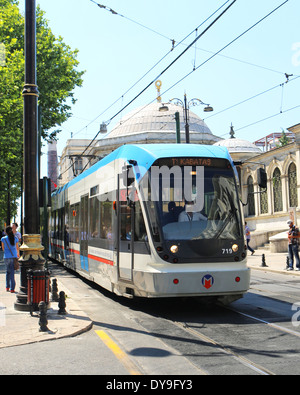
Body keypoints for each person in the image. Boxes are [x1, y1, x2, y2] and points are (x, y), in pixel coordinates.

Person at [1, 226, 20, 293]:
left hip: (6, 257)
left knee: (7, 272)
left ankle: (7, 287)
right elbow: (17, 248)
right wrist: (18, 255)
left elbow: (3, 248)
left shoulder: (3, 239)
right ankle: (12, 288)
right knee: (12, 272)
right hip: (13, 256)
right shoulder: (15, 238)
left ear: (5, 232)